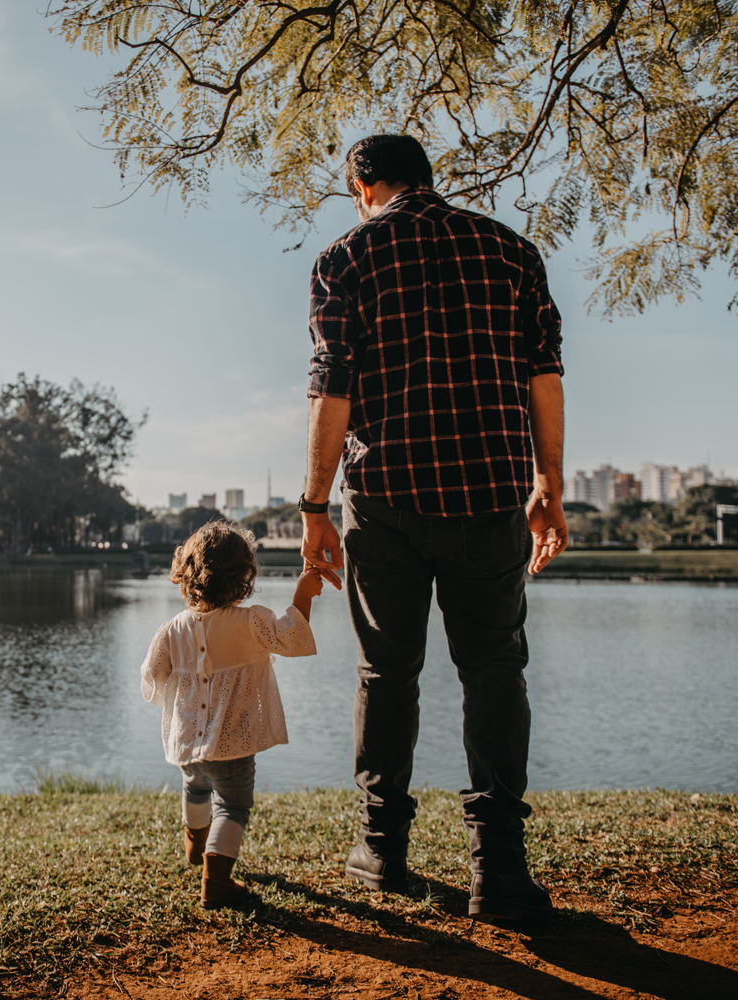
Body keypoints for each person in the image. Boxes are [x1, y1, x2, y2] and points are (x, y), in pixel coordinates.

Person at [298, 134, 568, 923]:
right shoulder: (511, 251)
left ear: (364, 183)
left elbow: (331, 392)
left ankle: (382, 852)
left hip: (386, 497)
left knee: (388, 671)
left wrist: (314, 508)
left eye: (353, 189)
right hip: (490, 493)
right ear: (426, 178)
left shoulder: (344, 258)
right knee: (494, 669)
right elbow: (543, 373)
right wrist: (547, 483)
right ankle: (501, 872)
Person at [140, 521, 322, 909]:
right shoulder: (251, 621)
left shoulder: (172, 629)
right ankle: (216, 880)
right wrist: (303, 592)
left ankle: (195, 848)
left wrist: (180, 693)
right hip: (234, 744)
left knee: (196, 788)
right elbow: (291, 636)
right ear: (243, 577)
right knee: (233, 807)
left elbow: (152, 677)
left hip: (188, 741)